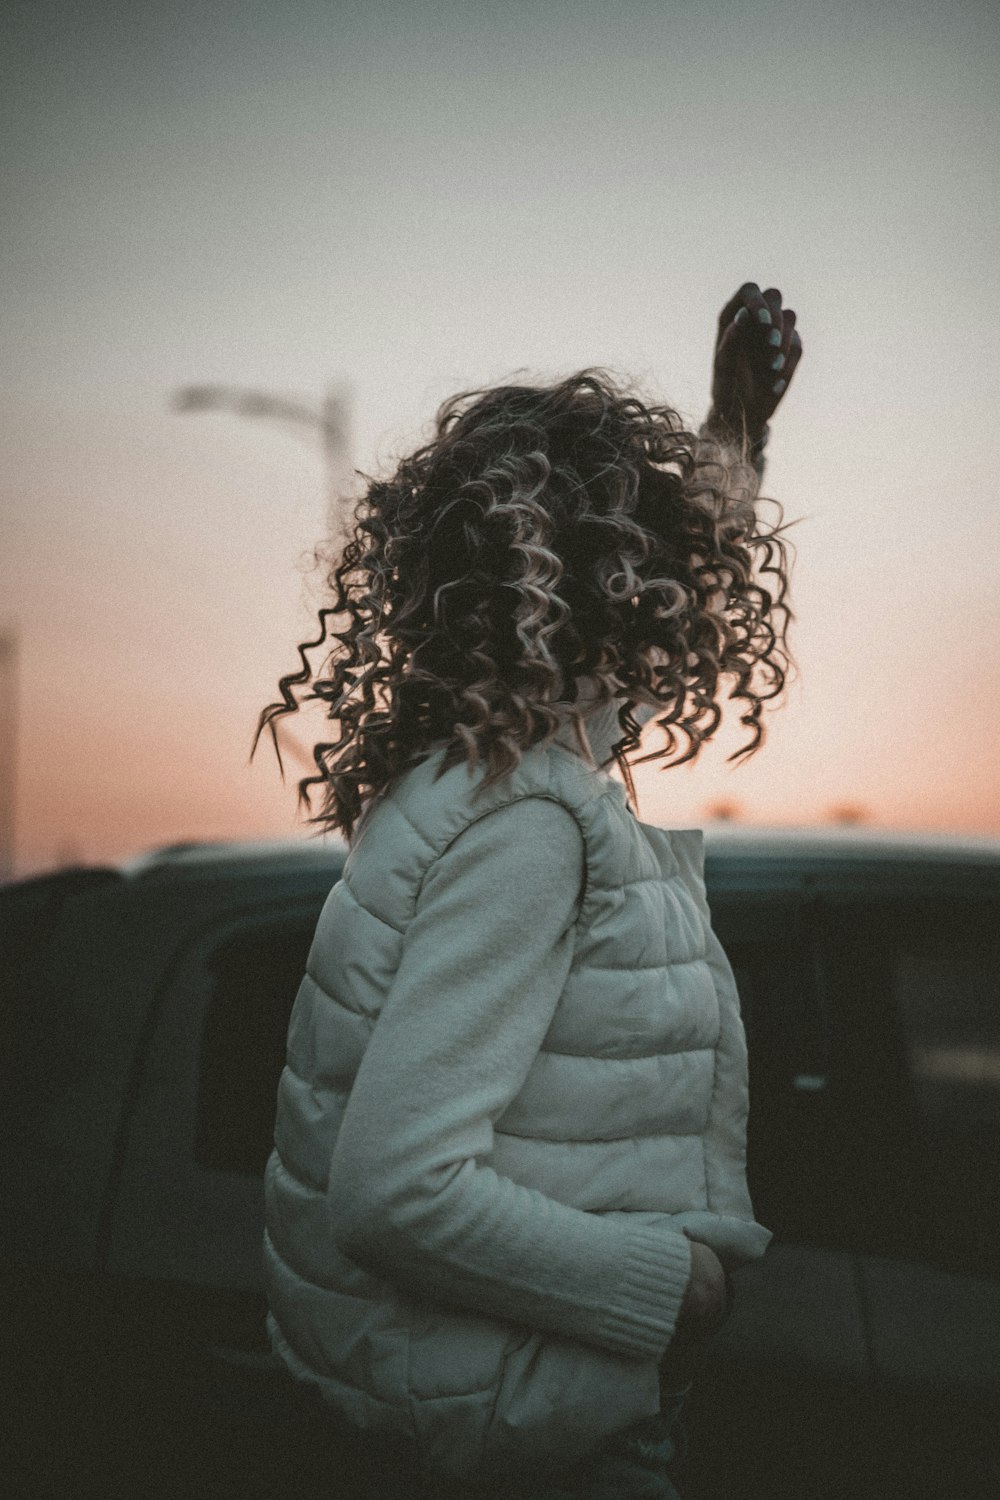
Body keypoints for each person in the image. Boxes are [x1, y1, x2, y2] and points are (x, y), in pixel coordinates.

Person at [252, 281, 802, 1499]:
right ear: (617, 586)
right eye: (661, 558)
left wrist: (733, 441)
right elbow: (396, 1196)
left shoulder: (475, 771)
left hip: (477, 1399)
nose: (685, 600)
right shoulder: (528, 826)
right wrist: (673, 1296)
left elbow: (636, 679)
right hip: (520, 1433)